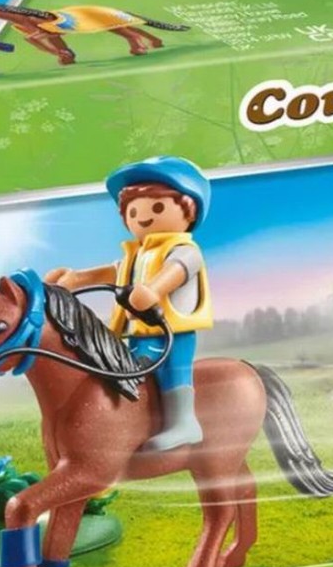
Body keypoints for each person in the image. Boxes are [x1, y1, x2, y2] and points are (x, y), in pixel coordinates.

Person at [46, 156, 213, 451]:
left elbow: (175, 272)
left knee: (172, 370)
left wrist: (152, 290)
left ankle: (184, 422)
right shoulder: (137, 256)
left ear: (189, 210)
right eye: (133, 211)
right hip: (137, 334)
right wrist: (76, 278)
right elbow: (113, 272)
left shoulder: (185, 251)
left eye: (157, 208)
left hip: (170, 334)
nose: (142, 217)